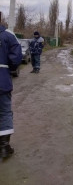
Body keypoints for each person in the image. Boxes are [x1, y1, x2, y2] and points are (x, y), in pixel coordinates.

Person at [0, 12, 23, 158]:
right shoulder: (8, 35)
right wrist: (11, 70)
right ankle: (4, 147)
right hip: (2, 81)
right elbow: (16, 59)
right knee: (4, 112)